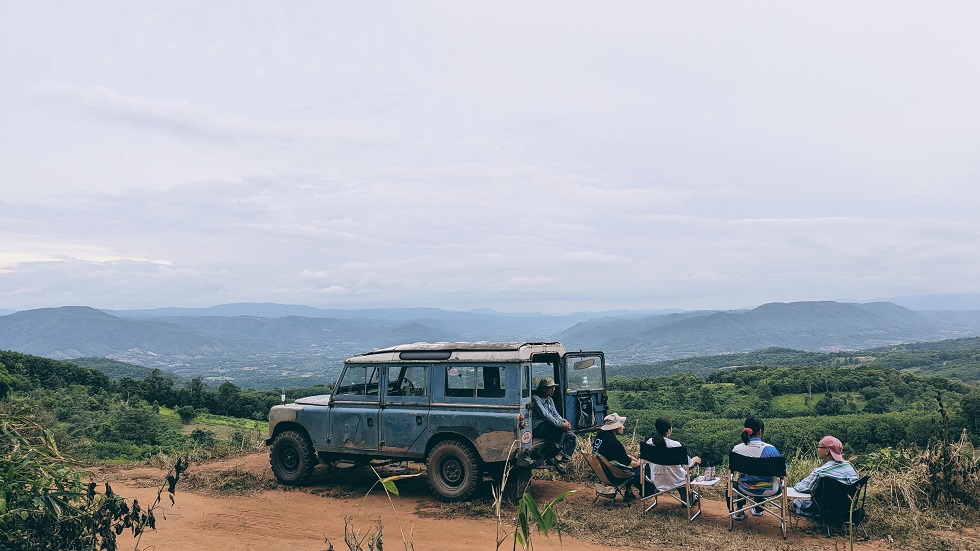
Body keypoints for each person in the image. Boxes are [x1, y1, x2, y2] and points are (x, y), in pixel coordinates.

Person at [792, 436, 859, 516]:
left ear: (827, 451)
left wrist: (795, 486)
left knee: (797, 501)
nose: (817, 449)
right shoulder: (850, 467)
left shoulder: (820, 472)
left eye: (819, 447)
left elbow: (803, 488)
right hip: (847, 507)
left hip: (826, 508)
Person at [731, 416, 782, 520]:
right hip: (768, 489)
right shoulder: (771, 449)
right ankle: (758, 509)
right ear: (760, 431)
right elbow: (782, 473)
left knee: (741, 480)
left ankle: (739, 511)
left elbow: (730, 470)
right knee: (763, 479)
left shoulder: (737, 449)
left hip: (744, 488)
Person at [646, 417, 702, 505]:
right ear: (669, 430)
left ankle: (685, 495)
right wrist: (695, 460)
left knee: (677, 473)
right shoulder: (675, 445)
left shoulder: (649, 443)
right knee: (686, 475)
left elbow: (644, 461)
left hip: (656, 479)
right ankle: (688, 498)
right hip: (676, 481)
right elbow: (689, 464)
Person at [531, 377, 576, 475]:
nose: (553, 390)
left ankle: (561, 461)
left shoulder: (550, 399)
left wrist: (564, 422)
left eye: (553, 387)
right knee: (561, 431)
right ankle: (555, 455)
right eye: (550, 388)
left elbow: (555, 414)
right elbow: (546, 415)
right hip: (538, 426)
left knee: (572, 437)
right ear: (543, 389)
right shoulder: (536, 399)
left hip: (548, 425)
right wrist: (561, 425)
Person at [592, 412, 642, 501]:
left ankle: (629, 492)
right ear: (615, 427)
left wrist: (628, 457)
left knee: (628, 464)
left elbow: (611, 454)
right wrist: (642, 460)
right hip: (613, 475)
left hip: (602, 472)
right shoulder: (615, 443)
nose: (623, 427)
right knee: (637, 469)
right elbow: (632, 464)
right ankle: (645, 492)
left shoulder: (600, 436)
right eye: (621, 425)